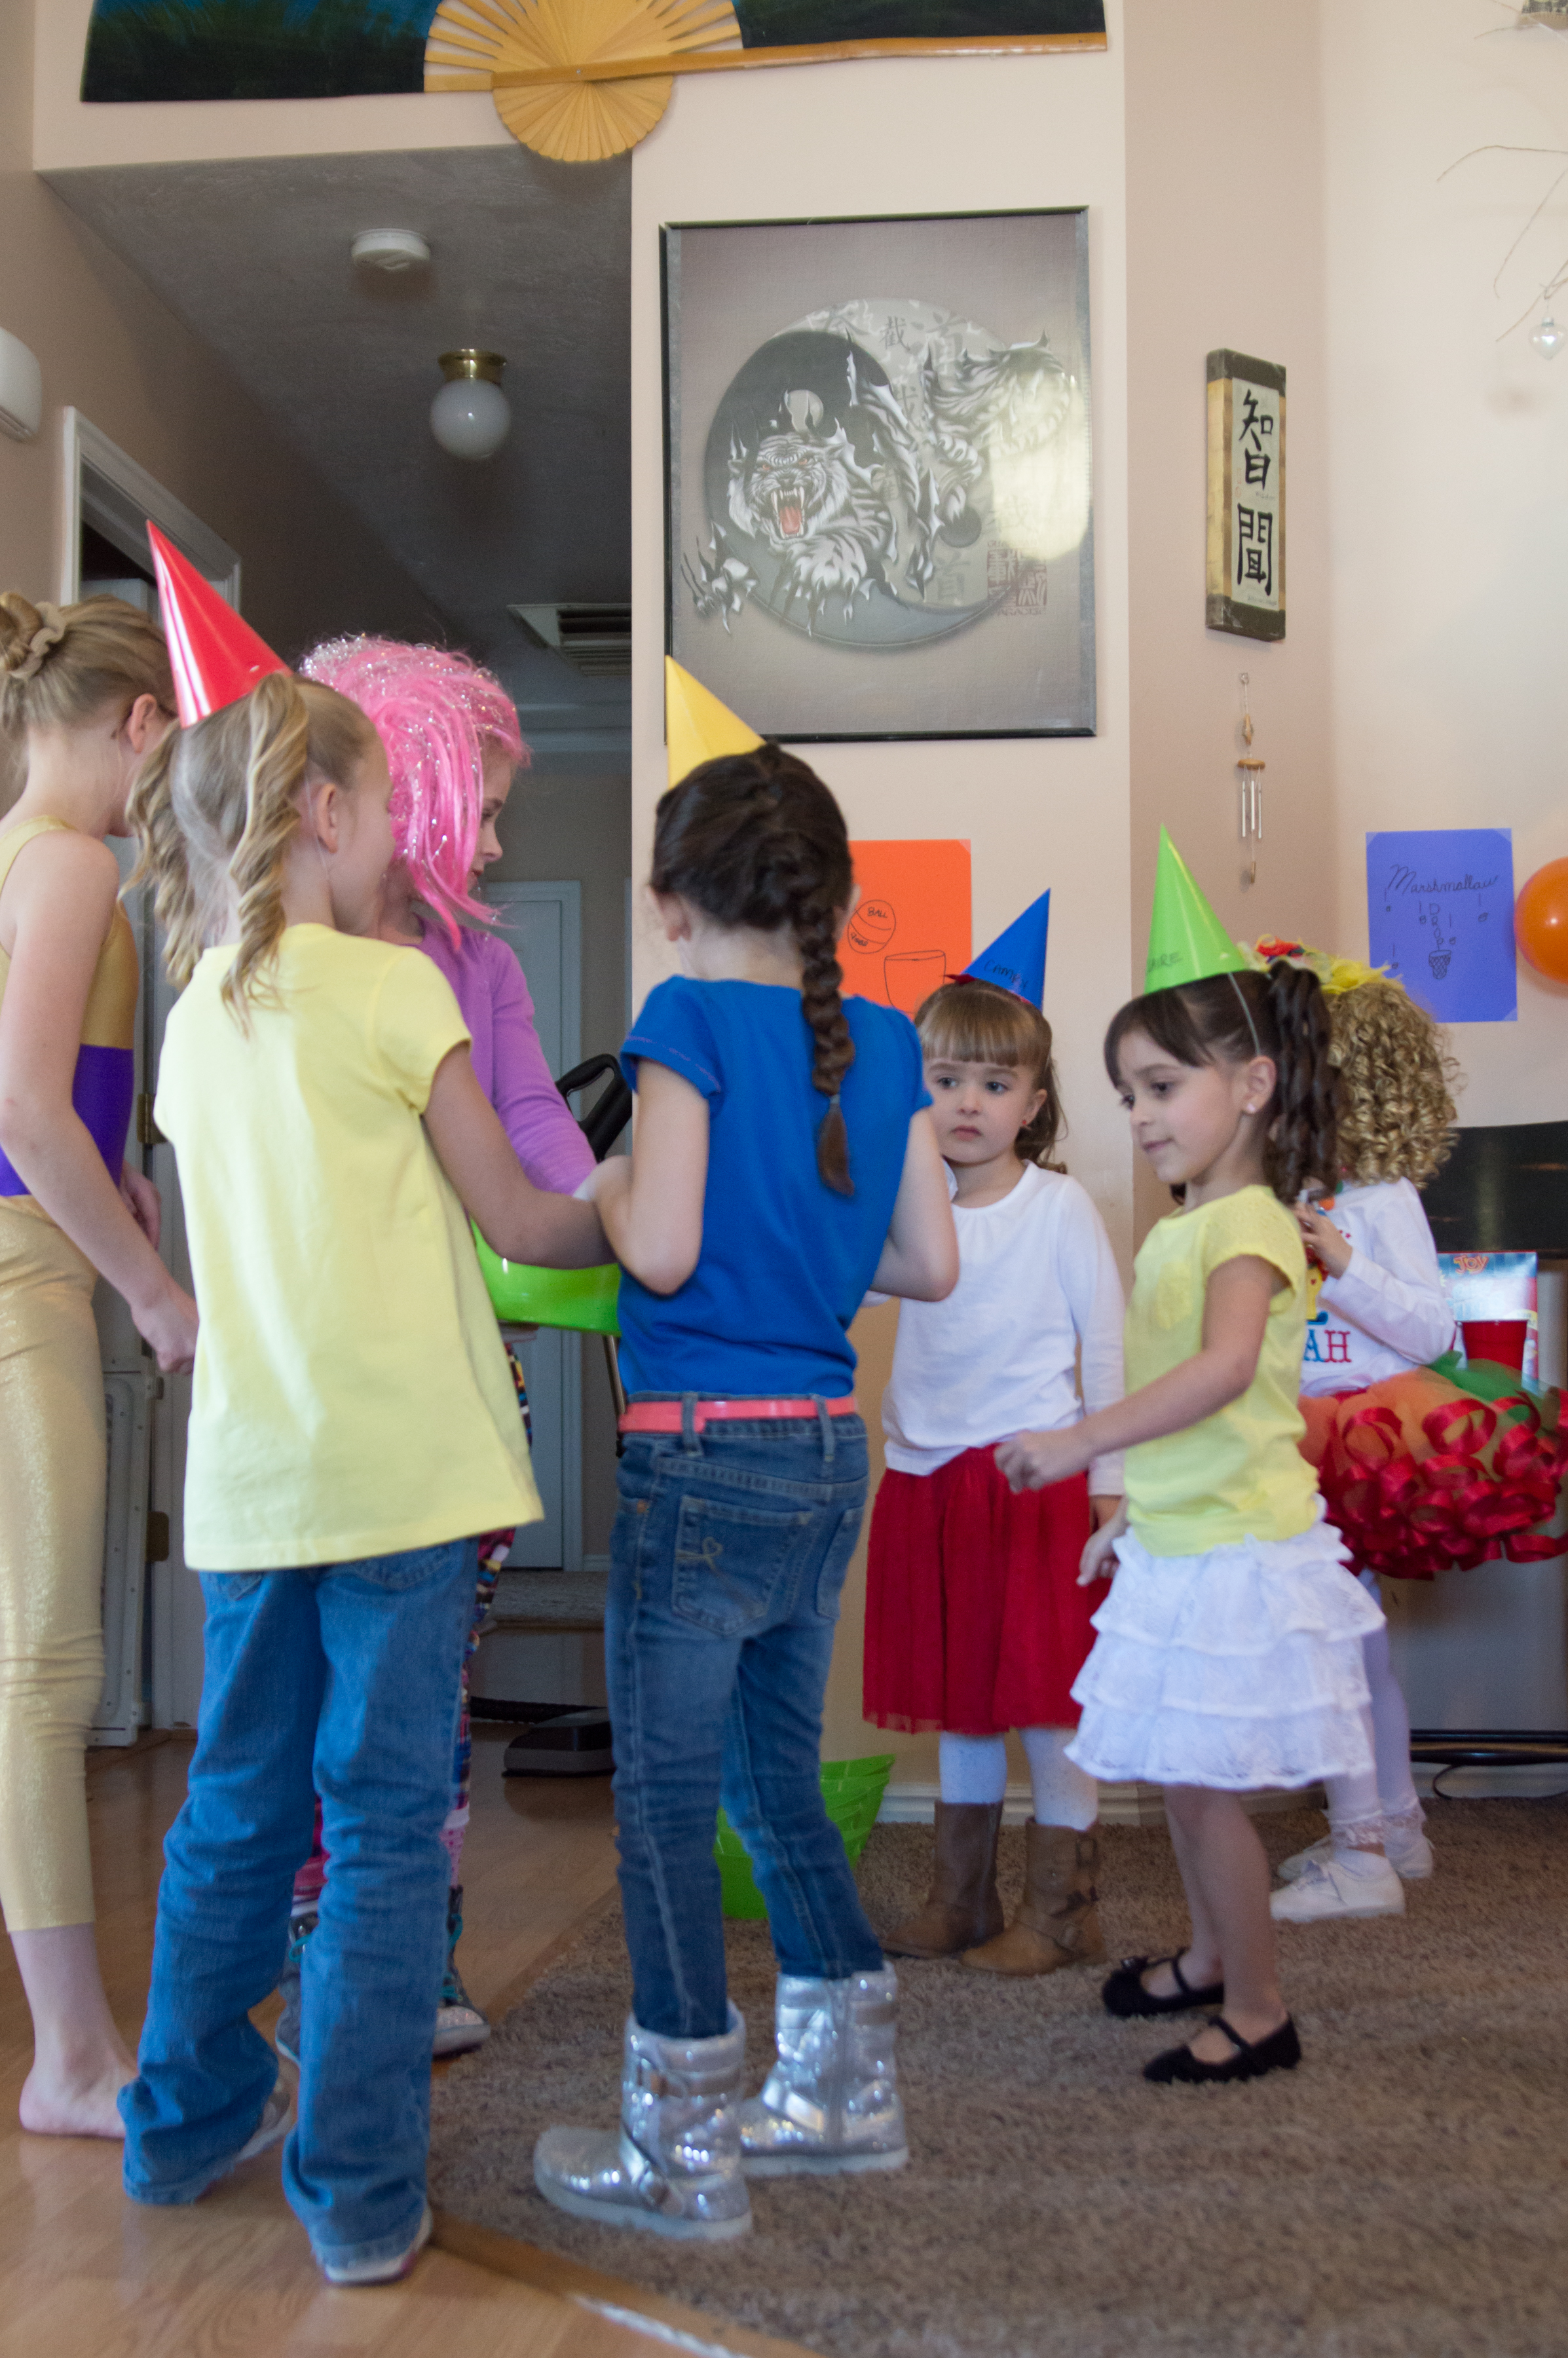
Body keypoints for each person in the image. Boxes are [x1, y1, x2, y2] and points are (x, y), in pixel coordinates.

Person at [117, 663, 605, 2285]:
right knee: (386, 1826)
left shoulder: (195, 1021)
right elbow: (522, 1218)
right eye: (391, 806)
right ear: (327, 813)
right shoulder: (401, 993)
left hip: (255, 1492)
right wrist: (645, 1204)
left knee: (235, 1808)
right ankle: (359, 2192)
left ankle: (180, 2128)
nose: (409, 837)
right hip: (409, 1485)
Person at [533, 745, 958, 2241]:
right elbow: (928, 1263)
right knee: (772, 1782)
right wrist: (802, 1251)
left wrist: (601, 1186)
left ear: (669, 901)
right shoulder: (887, 1039)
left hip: (701, 1452)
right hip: (828, 1448)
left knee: (663, 1805)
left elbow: (655, 1246)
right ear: (826, 896)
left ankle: (680, 2144)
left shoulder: (685, 1018)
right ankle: (842, 2091)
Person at [997, 846, 1381, 2085]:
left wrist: (1081, 1442)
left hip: (1238, 1548)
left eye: (1163, 1084)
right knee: (1176, 1770)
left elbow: (1218, 1372)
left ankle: (1259, 2009)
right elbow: (1190, 1400)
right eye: (1127, 1094)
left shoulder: (1252, 1225)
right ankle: (1211, 1956)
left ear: (1253, 1084)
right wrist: (1134, 1510)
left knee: (1208, 1790)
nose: (1142, 1114)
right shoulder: (1187, 1222)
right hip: (1184, 1530)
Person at [284, 636, 595, 2057]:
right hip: (314, 1388)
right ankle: (319, 1954)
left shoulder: (479, 963)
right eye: (486, 805)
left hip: (460, 1384)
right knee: (307, 1691)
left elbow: (533, 1128)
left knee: (428, 1693)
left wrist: (610, 1211)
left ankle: (420, 1960)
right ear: (403, 789)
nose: (498, 840)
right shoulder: (276, 968)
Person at [0, 591, 198, 2139]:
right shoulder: (71, 861)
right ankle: (70, 2059)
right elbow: (20, 1106)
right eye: (173, 751)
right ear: (139, 725)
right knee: (48, 1662)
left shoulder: (26, 855)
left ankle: (70, 2044)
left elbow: (58, 1092)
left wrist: (117, 1163)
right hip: (28, 1277)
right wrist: (151, 1286)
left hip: (40, 1251)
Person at [863, 976, 1125, 1974]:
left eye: (994, 1083)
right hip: (927, 1477)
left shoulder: (1057, 1207)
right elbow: (847, 1294)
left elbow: (1107, 1346)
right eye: (944, 1081)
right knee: (959, 1696)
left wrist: (1107, 1481)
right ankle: (959, 1900)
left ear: (1032, 1104)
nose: (967, 1103)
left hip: (1031, 1485)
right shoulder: (905, 1207)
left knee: (1044, 1700)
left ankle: (1061, 1911)